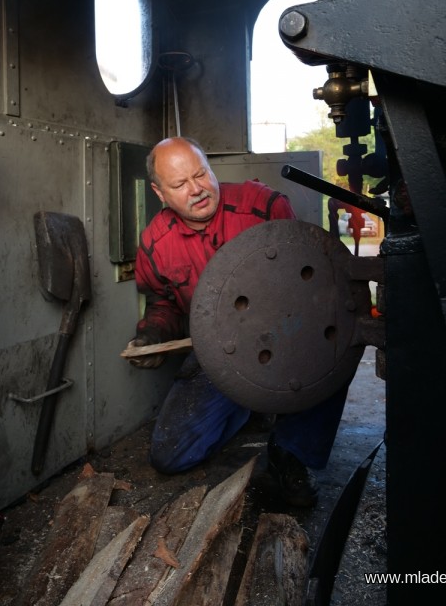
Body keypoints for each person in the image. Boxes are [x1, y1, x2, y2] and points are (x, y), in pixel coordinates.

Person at [129, 136, 351, 507]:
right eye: (180, 184)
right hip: (218, 355)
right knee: (171, 456)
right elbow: (162, 301)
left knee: (331, 356)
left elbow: (307, 279)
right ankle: (247, 405)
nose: (197, 189)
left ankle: (291, 456)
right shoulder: (156, 243)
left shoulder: (263, 206)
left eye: (201, 174)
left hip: (286, 336)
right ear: (159, 193)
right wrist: (151, 334)